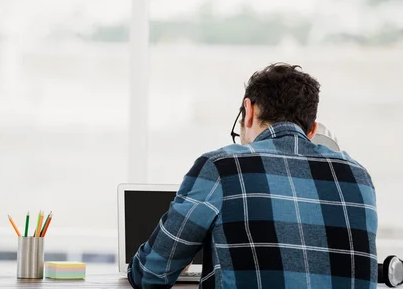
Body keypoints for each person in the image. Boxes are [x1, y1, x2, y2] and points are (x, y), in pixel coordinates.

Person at [128, 63, 377, 288]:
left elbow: (152, 274)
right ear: (312, 130)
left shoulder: (221, 167)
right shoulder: (359, 176)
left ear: (248, 110)